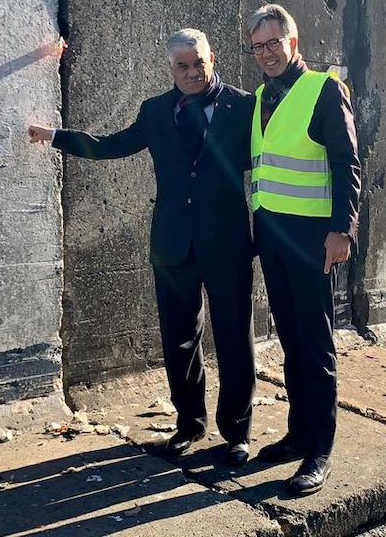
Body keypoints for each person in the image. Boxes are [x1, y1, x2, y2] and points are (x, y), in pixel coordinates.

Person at [28, 28, 256, 466]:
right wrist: (56, 136)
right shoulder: (155, 112)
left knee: (234, 339)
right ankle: (189, 425)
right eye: (182, 66)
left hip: (227, 244)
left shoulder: (245, 107)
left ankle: (237, 434)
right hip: (171, 246)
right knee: (180, 341)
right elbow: (112, 145)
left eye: (198, 63)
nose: (191, 72)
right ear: (171, 69)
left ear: (213, 59)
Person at [244, 4, 361, 495]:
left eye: (274, 43)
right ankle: (297, 434)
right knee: (291, 340)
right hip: (274, 240)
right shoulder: (260, 98)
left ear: (293, 43)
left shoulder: (323, 89)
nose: (267, 54)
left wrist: (343, 231)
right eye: (257, 47)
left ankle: (320, 450)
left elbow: (348, 164)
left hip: (314, 240)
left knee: (315, 344)